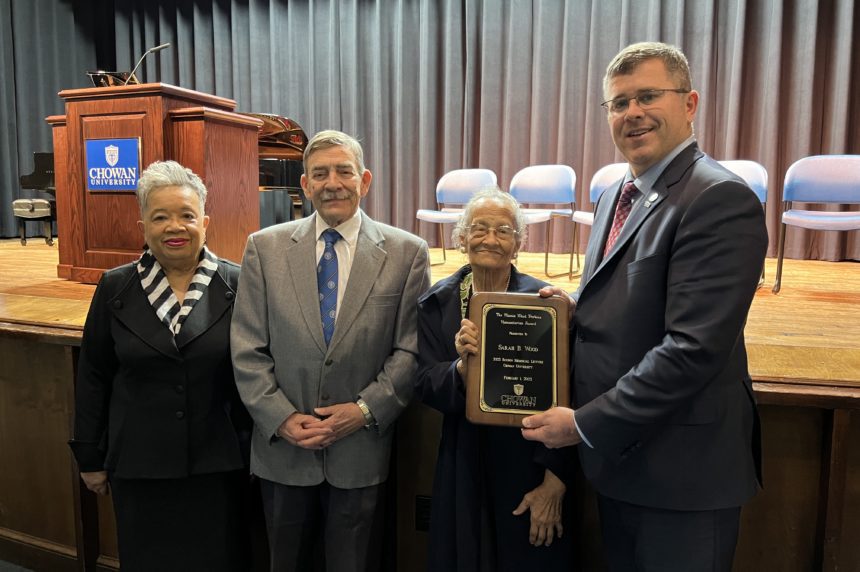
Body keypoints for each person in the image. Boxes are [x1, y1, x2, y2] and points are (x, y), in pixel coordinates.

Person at [521, 42, 768, 571]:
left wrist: (584, 425)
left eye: (648, 96)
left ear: (690, 103)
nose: (632, 112)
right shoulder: (617, 193)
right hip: (625, 464)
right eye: (619, 102)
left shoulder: (718, 198)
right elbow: (633, 299)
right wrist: (575, 310)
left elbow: (692, 349)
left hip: (684, 476)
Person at [231, 129, 431, 572]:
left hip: (359, 450)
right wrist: (280, 418)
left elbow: (410, 350)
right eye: (319, 174)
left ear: (365, 180)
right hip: (284, 450)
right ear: (305, 185)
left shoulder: (407, 254)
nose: (332, 183)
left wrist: (362, 411)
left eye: (343, 171)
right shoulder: (263, 249)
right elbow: (247, 347)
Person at [69, 160, 252, 571]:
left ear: (204, 221)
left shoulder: (238, 284)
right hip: (139, 465)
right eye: (161, 217)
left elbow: (255, 372)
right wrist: (90, 458)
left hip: (218, 465)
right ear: (142, 227)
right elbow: (94, 375)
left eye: (186, 215)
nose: (175, 227)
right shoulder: (115, 286)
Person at [414, 187, 573, 571]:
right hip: (463, 461)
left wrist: (555, 482)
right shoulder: (437, 302)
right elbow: (422, 380)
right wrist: (462, 371)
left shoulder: (546, 304)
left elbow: (572, 391)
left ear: (518, 243)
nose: (490, 239)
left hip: (529, 462)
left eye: (503, 231)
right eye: (479, 229)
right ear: (462, 238)